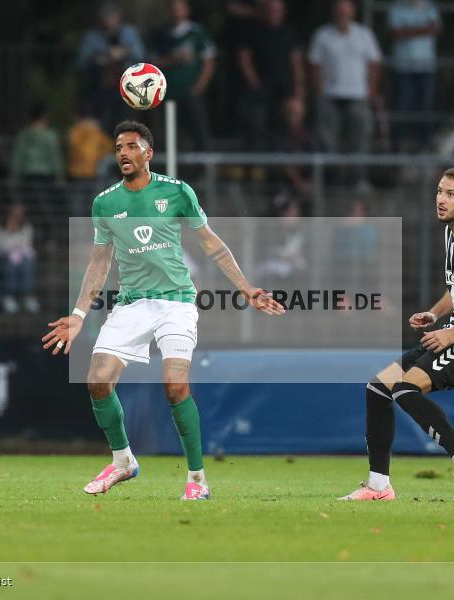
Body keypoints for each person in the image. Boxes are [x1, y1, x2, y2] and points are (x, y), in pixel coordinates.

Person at [41, 121, 284, 500]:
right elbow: (100, 263)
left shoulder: (176, 192)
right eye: (119, 147)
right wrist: (78, 313)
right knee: (97, 381)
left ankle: (197, 479)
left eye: (132, 146)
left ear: (148, 153)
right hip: (131, 304)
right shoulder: (105, 203)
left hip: (176, 302)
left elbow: (211, 243)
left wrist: (246, 288)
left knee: (175, 386)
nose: (123, 152)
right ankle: (123, 461)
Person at [340, 167, 454, 502]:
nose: (441, 199)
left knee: (405, 389)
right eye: (440, 191)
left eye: (451, 194)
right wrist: (435, 314)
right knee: (378, 388)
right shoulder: (453, 232)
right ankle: (378, 487)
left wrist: (450, 334)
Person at [308, 0, 383, 191]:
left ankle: (358, 178)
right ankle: (331, 179)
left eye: (346, 11)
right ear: (333, 13)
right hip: (330, 95)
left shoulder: (364, 34)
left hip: (357, 95)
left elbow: (374, 63)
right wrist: (319, 92)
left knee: (361, 136)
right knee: (326, 139)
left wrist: (371, 89)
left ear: (353, 13)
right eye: (339, 11)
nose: (343, 15)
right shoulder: (322, 35)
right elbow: (314, 65)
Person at [236, 0, 304, 150]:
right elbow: (244, 58)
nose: (274, 13)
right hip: (261, 88)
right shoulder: (253, 32)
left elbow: (296, 63)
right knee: (257, 120)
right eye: (271, 10)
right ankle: (259, 160)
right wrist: (254, 84)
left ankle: (291, 160)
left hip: (284, 89)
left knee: (293, 116)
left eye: (277, 10)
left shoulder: (290, 32)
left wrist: (298, 91)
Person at [150, 0, 217, 150]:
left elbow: (209, 62)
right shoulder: (161, 34)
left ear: (187, 10)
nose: (176, 11)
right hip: (166, 94)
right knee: (170, 135)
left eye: (180, 8)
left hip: (190, 92)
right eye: (173, 8)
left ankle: (205, 170)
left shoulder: (198, 32)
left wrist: (198, 88)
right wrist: (173, 59)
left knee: (199, 131)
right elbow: (152, 62)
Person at [75, 1, 145, 132]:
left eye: (111, 16)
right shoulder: (92, 37)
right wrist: (104, 56)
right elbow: (82, 62)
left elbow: (141, 56)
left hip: (127, 87)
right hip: (100, 88)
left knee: (126, 124)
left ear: (118, 16)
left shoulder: (129, 33)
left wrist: (124, 52)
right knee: (103, 124)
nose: (108, 20)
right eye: (105, 16)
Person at [388, 0, 441, 152]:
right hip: (403, 67)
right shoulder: (396, 8)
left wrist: (409, 30)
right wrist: (425, 29)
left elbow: (437, 29)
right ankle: (397, 145)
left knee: (425, 107)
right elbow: (396, 33)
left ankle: (424, 144)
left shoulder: (430, 7)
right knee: (402, 107)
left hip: (426, 66)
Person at [0, 202, 40, 314]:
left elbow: (26, 245)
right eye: (16, 210)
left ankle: (27, 296)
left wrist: (15, 248)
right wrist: (9, 230)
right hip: (1, 258)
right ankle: (9, 296)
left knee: (28, 261)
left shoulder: (26, 226)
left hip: (21, 258)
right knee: (10, 263)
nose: (18, 214)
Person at [10, 105, 64, 182]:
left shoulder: (23, 135)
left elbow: (17, 157)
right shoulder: (50, 136)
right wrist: (59, 175)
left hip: (26, 173)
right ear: (45, 117)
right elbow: (54, 156)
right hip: (46, 174)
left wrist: (14, 177)